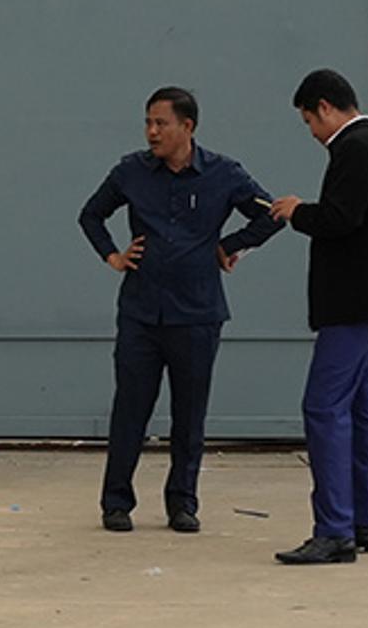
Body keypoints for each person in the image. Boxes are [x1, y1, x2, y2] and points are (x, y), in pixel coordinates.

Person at [76, 86, 282, 534]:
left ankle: (182, 503)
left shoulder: (224, 174)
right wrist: (113, 256)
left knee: (190, 414)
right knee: (130, 409)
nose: (152, 132)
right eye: (148, 123)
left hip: (197, 315)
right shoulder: (131, 171)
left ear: (187, 127)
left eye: (161, 123)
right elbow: (91, 215)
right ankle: (116, 502)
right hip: (141, 313)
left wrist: (230, 246)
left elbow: (271, 214)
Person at [264, 69, 368, 566]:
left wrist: (296, 211)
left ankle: (334, 530)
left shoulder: (353, 149)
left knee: (324, 407)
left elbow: (340, 218)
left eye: (309, 120)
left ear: (325, 107)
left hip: (349, 301)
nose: (311, 132)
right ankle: (367, 521)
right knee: (363, 408)